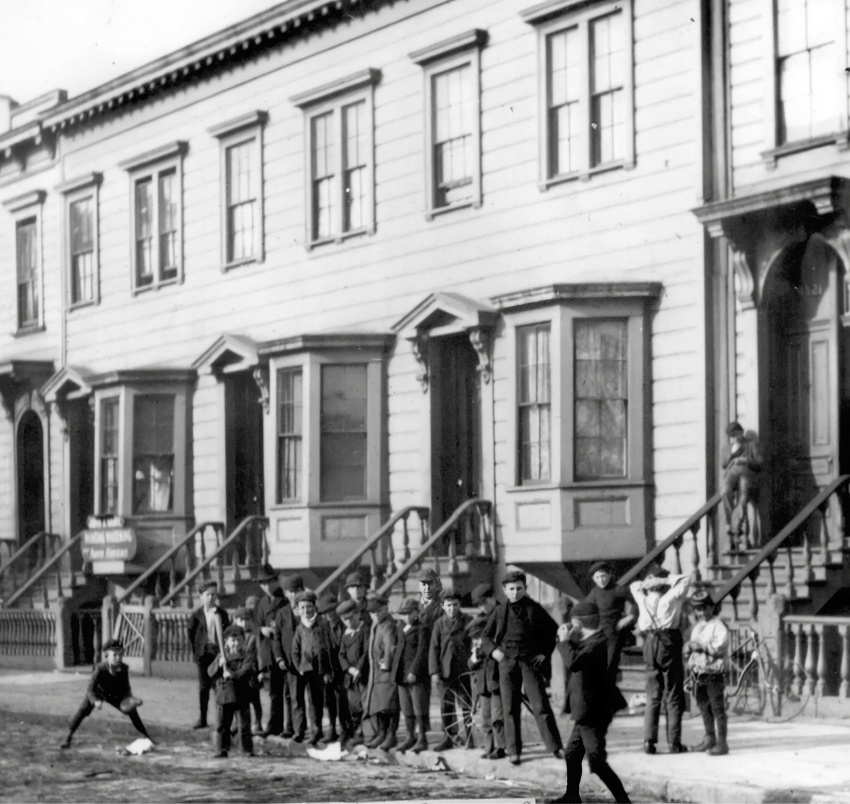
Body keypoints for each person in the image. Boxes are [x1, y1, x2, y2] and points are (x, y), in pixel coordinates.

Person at [482, 569, 564, 765]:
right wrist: (494, 651)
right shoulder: (500, 611)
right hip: (506, 664)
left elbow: (554, 632)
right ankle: (514, 751)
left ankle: (554, 747)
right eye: (511, 589)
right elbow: (485, 636)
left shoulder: (534, 609)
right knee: (509, 708)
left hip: (529, 663)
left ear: (525, 589)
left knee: (540, 705)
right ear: (504, 590)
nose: (515, 592)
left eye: (519, 588)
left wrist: (544, 653)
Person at [552, 600, 630, 804]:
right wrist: (568, 640)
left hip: (592, 711)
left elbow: (574, 662)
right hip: (586, 710)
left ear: (577, 623)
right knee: (572, 753)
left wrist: (563, 641)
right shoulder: (594, 640)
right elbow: (578, 654)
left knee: (597, 762)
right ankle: (571, 796)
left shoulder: (598, 643)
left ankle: (624, 801)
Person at [630, 567, 693, 755]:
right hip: (668, 642)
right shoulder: (670, 597)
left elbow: (634, 585)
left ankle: (649, 741)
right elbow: (686, 579)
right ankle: (674, 743)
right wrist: (664, 580)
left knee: (653, 695)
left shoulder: (642, 598)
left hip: (649, 643)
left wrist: (648, 582)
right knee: (673, 693)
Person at [60, 638, 150, 749]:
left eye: (121, 655)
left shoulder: (124, 668)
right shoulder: (100, 669)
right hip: (98, 693)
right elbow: (90, 689)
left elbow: (126, 687)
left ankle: (146, 736)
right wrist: (95, 701)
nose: (118, 658)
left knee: (132, 711)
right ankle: (68, 737)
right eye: (115, 655)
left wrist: (130, 699)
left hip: (114, 694)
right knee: (82, 711)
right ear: (107, 655)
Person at [685, 589, 730, 755]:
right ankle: (709, 738)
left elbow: (719, 647)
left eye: (704, 608)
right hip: (699, 673)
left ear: (711, 607)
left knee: (717, 707)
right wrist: (689, 655)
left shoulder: (718, 626)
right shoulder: (698, 627)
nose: (701, 612)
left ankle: (722, 743)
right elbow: (692, 648)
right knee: (704, 706)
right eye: (698, 609)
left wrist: (702, 647)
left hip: (713, 672)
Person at [429, 589, 473, 751]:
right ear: (442, 606)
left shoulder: (467, 620)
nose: (452, 608)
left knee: (466, 706)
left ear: (459, 605)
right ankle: (449, 737)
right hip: (444, 672)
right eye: (448, 605)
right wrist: (434, 671)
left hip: (462, 670)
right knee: (446, 707)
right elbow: (433, 649)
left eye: (455, 605)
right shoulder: (439, 624)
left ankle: (469, 737)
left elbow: (473, 643)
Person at [292, 590, 336, 746]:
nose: (306, 611)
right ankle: (316, 731)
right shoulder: (300, 628)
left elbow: (327, 647)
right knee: (312, 702)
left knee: (326, 700)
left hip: (322, 669)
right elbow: (295, 650)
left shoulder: (322, 625)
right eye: (302, 608)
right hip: (307, 670)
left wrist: (328, 669)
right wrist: (299, 666)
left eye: (309, 607)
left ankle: (332, 730)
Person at [209, 624, 259, 759]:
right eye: (233, 640)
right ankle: (221, 749)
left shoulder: (246, 656)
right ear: (226, 641)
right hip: (224, 695)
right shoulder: (222, 656)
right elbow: (210, 672)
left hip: (241, 695)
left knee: (243, 725)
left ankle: (246, 749)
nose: (236, 643)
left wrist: (232, 675)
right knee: (222, 725)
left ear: (243, 641)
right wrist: (219, 664)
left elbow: (246, 670)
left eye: (239, 640)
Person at [187, 579, 230, 729]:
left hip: (217, 654)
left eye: (214, 594)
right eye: (207, 595)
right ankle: (202, 718)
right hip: (203, 655)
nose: (211, 598)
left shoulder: (222, 614)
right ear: (201, 597)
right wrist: (197, 652)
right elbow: (191, 635)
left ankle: (222, 720)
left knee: (219, 687)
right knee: (203, 688)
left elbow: (226, 634)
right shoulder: (196, 615)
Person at [583, 561, 636, 680]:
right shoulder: (594, 593)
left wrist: (628, 618)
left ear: (609, 575)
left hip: (614, 634)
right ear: (594, 579)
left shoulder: (619, 590)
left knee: (609, 667)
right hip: (599, 634)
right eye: (597, 577)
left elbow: (636, 606)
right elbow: (585, 609)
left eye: (603, 576)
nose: (601, 580)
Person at [254, 564, 288, 737]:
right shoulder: (262, 602)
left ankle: (281, 725)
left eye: (269, 582)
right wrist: (262, 630)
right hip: (268, 651)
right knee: (273, 691)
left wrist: (278, 629)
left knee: (283, 691)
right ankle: (275, 725)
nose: (266, 587)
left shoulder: (285, 601)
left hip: (282, 651)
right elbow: (256, 624)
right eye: (262, 584)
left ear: (276, 581)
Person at [363, 594, 401, 749]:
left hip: (386, 672)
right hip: (376, 673)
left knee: (389, 705)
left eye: (377, 612)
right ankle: (381, 733)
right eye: (372, 613)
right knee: (378, 705)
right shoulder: (376, 625)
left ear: (385, 609)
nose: (375, 615)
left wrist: (386, 663)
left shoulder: (388, 625)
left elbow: (390, 647)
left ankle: (391, 735)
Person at [466, 612, 505, 761]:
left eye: (478, 637)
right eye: (475, 638)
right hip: (483, 688)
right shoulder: (477, 650)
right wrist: (475, 657)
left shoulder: (493, 647)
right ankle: (489, 748)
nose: (476, 640)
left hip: (495, 686)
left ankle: (501, 747)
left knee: (497, 719)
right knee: (486, 719)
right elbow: (470, 665)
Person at [394, 597, 429, 753]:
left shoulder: (422, 628)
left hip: (417, 675)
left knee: (419, 706)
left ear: (417, 612)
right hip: (401, 674)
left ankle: (422, 737)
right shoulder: (399, 628)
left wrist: (414, 671)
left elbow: (422, 652)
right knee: (406, 707)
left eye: (410, 613)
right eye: (404, 614)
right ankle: (410, 736)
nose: (407, 617)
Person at [272, 574, 305, 740]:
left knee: (307, 698)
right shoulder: (282, 613)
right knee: (290, 695)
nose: (293, 595)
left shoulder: (308, 612)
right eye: (289, 592)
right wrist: (279, 659)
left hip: (306, 661)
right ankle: (290, 727)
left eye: (296, 591)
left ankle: (306, 730)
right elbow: (276, 639)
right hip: (288, 662)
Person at [721, 421, 762, 548]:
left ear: (741, 432)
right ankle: (731, 523)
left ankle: (735, 529)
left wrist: (745, 460)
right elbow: (723, 464)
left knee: (742, 498)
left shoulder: (750, 445)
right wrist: (732, 456)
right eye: (732, 436)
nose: (735, 438)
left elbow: (760, 462)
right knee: (725, 492)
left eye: (737, 434)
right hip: (732, 474)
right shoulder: (728, 448)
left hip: (746, 473)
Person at [337, 599, 370, 749]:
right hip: (351, 677)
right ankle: (356, 732)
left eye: (350, 618)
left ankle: (364, 733)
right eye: (345, 620)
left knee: (365, 705)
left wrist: (358, 669)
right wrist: (349, 669)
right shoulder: (345, 635)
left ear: (357, 614)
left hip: (363, 675)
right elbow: (341, 655)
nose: (348, 622)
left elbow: (365, 652)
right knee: (354, 706)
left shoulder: (364, 631)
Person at [318, 593, 350, 744]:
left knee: (343, 701)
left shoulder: (344, 625)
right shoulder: (323, 628)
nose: (329, 615)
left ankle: (345, 729)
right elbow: (321, 651)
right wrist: (324, 671)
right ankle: (332, 728)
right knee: (329, 700)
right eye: (325, 613)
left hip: (344, 668)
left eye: (331, 611)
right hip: (329, 670)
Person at [234, 606, 264, 735]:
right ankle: (238, 724)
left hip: (252, 672)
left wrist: (261, 671)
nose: (244, 623)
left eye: (246, 620)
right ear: (236, 620)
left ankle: (258, 723)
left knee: (255, 700)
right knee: (238, 700)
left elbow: (260, 654)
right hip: (240, 672)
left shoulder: (254, 635)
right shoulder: (234, 635)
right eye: (241, 620)